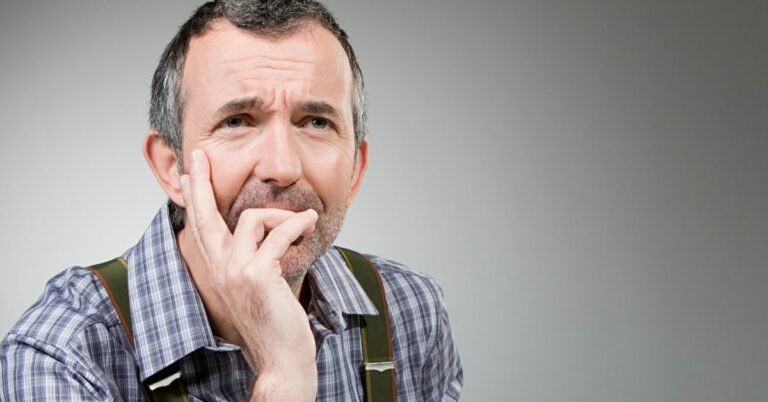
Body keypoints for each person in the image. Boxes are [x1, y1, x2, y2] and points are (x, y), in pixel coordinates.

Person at [0, 0, 462, 401]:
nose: (282, 166)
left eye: (316, 123)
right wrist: (283, 376)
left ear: (356, 170)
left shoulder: (409, 310)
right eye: (238, 121)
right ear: (170, 168)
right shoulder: (61, 354)